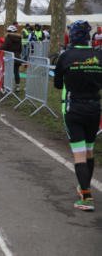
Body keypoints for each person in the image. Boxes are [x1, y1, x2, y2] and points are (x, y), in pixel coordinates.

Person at [54, 20, 102, 211]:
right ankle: (84, 189)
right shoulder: (98, 55)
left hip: (73, 109)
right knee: (89, 150)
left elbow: (58, 84)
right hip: (94, 108)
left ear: (72, 36)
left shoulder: (66, 56)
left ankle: (86, 196)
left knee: (79, 154)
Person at [0, 25, 22, 91]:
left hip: (9, 58)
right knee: (16, 72)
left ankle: (5, 86)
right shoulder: (19, 38)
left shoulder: (8, 38)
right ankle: (17, 86)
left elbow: (4, 47)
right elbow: (21, 49)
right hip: (16, 58)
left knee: (6, 72)